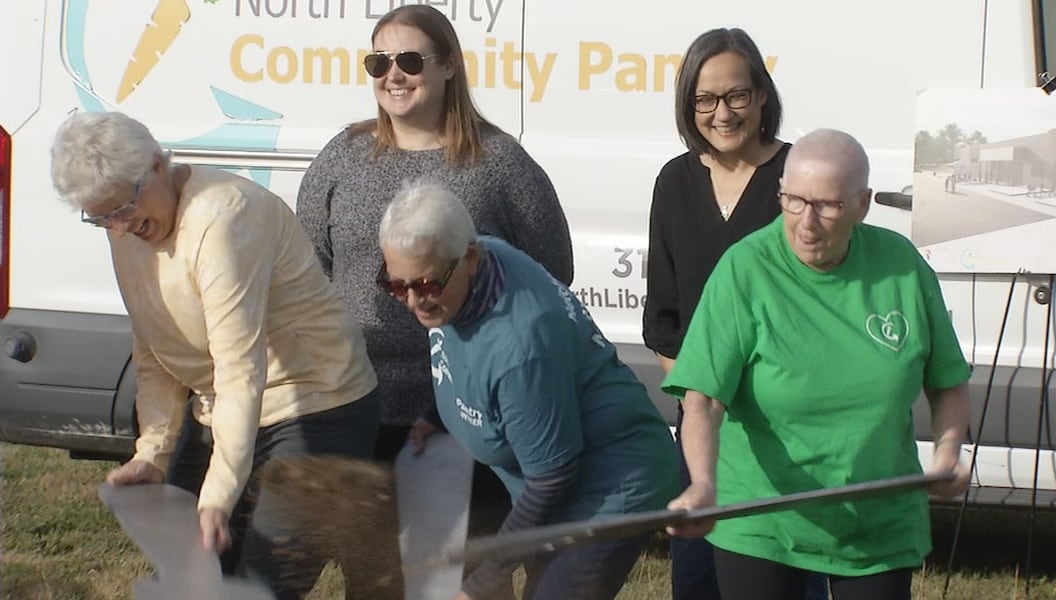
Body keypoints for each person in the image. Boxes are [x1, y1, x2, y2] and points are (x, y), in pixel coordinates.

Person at [49, 111, 383, 599]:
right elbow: (152, 349)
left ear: (158, 166)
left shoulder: (222, 218)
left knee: (262, 584)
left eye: (122, 209)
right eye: (101, 218)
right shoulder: (127, 226)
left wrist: (220, 493)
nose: (118, 230)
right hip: (225, 409)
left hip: (316, 404)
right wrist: (154, 452)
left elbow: (240, 369)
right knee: (190, 577)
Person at [663, 129, 972, 600]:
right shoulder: (745, 269)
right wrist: (704, 483)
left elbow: (947, 380)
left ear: (862, 204)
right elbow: (703, 397)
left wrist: (948, 452)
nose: (806, 223)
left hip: (878, 520)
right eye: (793, 201)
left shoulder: (901, 268)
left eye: (827, 206)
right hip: (762, 518)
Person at [296, 4, 573, 463]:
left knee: (451, 536)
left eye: (409, 61)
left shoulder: (501, 164)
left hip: (465, 405)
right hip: (352, 398)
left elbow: (551, 273)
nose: (393, 75)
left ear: (448, 65)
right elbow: (311, 266)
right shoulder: (342, 156)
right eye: (378, 63)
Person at [379, 181, 678, 600]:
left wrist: (485, 580)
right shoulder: (469, 263)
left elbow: (553, 478)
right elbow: (461, 354)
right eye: (396, 285)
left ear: (469, 259)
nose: (413, 302)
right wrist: (436, 414)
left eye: (426, 285)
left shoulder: (521, 346)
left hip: (608, 483)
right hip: (551, 472)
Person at [641, 27, 828, 600]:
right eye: (705, 99)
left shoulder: (798, 177)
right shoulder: (675, 181)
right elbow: (664, 316)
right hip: (702, 426)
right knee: (697, 580)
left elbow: (824, 303)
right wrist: (702, 400)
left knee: (781, 581)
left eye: (736, 96)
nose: (721, 113)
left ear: (762, 95)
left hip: (785, 428)